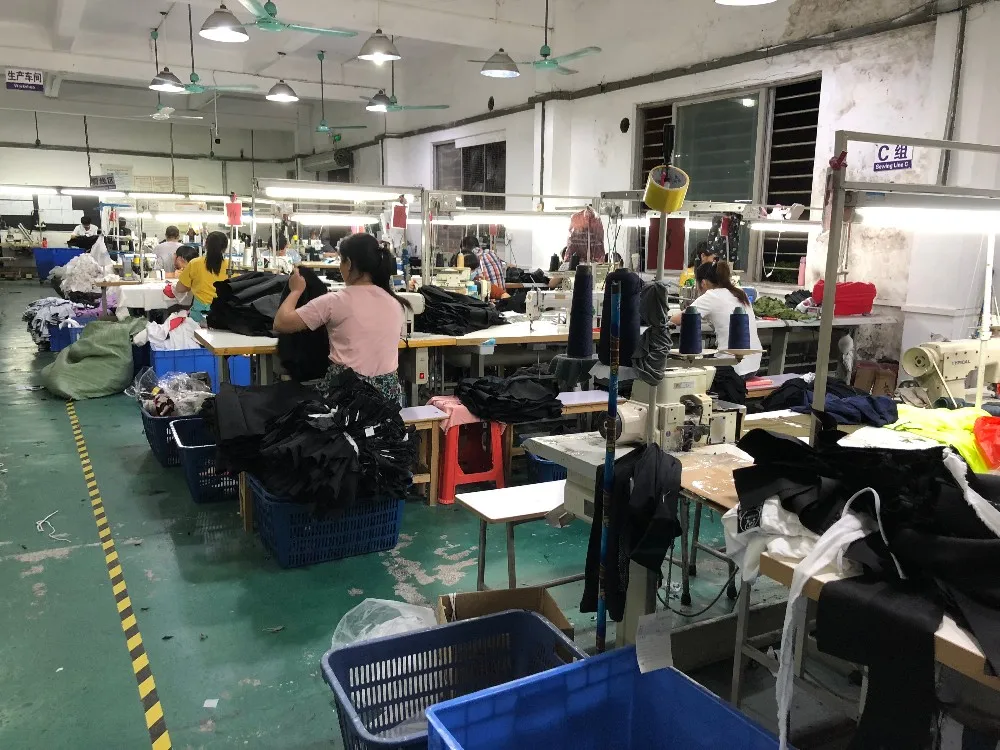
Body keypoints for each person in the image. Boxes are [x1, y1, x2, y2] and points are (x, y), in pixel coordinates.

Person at [273, 232, 409, 402]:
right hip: (388, 401)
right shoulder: (396, 303)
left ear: (349, 263)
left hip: (346, 401)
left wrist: (296, 290)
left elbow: (281, 322)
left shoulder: (335, 301)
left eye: (341, 261)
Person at [670, 260, 762, 402]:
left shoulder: (711, 295)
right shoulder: (740, 293)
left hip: (733, 368)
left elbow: (677, 319)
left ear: (703, 283)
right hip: (753, 365)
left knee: (687, 374)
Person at [175, 231, 230, 322]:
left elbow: (179, 288)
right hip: (223, 315)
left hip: (199, 315)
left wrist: (193, 285)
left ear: (205, 245)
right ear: (225, 248)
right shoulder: (231, 267)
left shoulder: (195, 263)